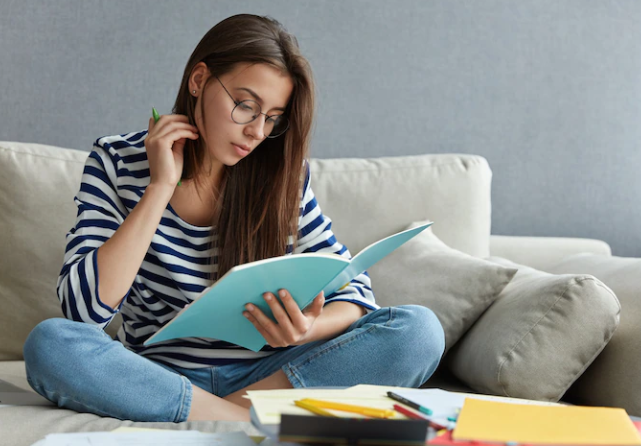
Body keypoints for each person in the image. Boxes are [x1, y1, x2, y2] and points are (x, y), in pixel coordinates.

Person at [23, 13, 445, 423]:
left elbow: (356, 295)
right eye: (245, 105)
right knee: (51, 344)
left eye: (273, 119)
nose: (257, 132)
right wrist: (159, 188)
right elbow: (82, 314)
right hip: (162, 377)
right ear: (199, 80)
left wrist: (305, 330)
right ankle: (239, 418)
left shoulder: (282, 174)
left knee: (419, 331)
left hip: (269, 375)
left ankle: (226, 412)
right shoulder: (115, 160)